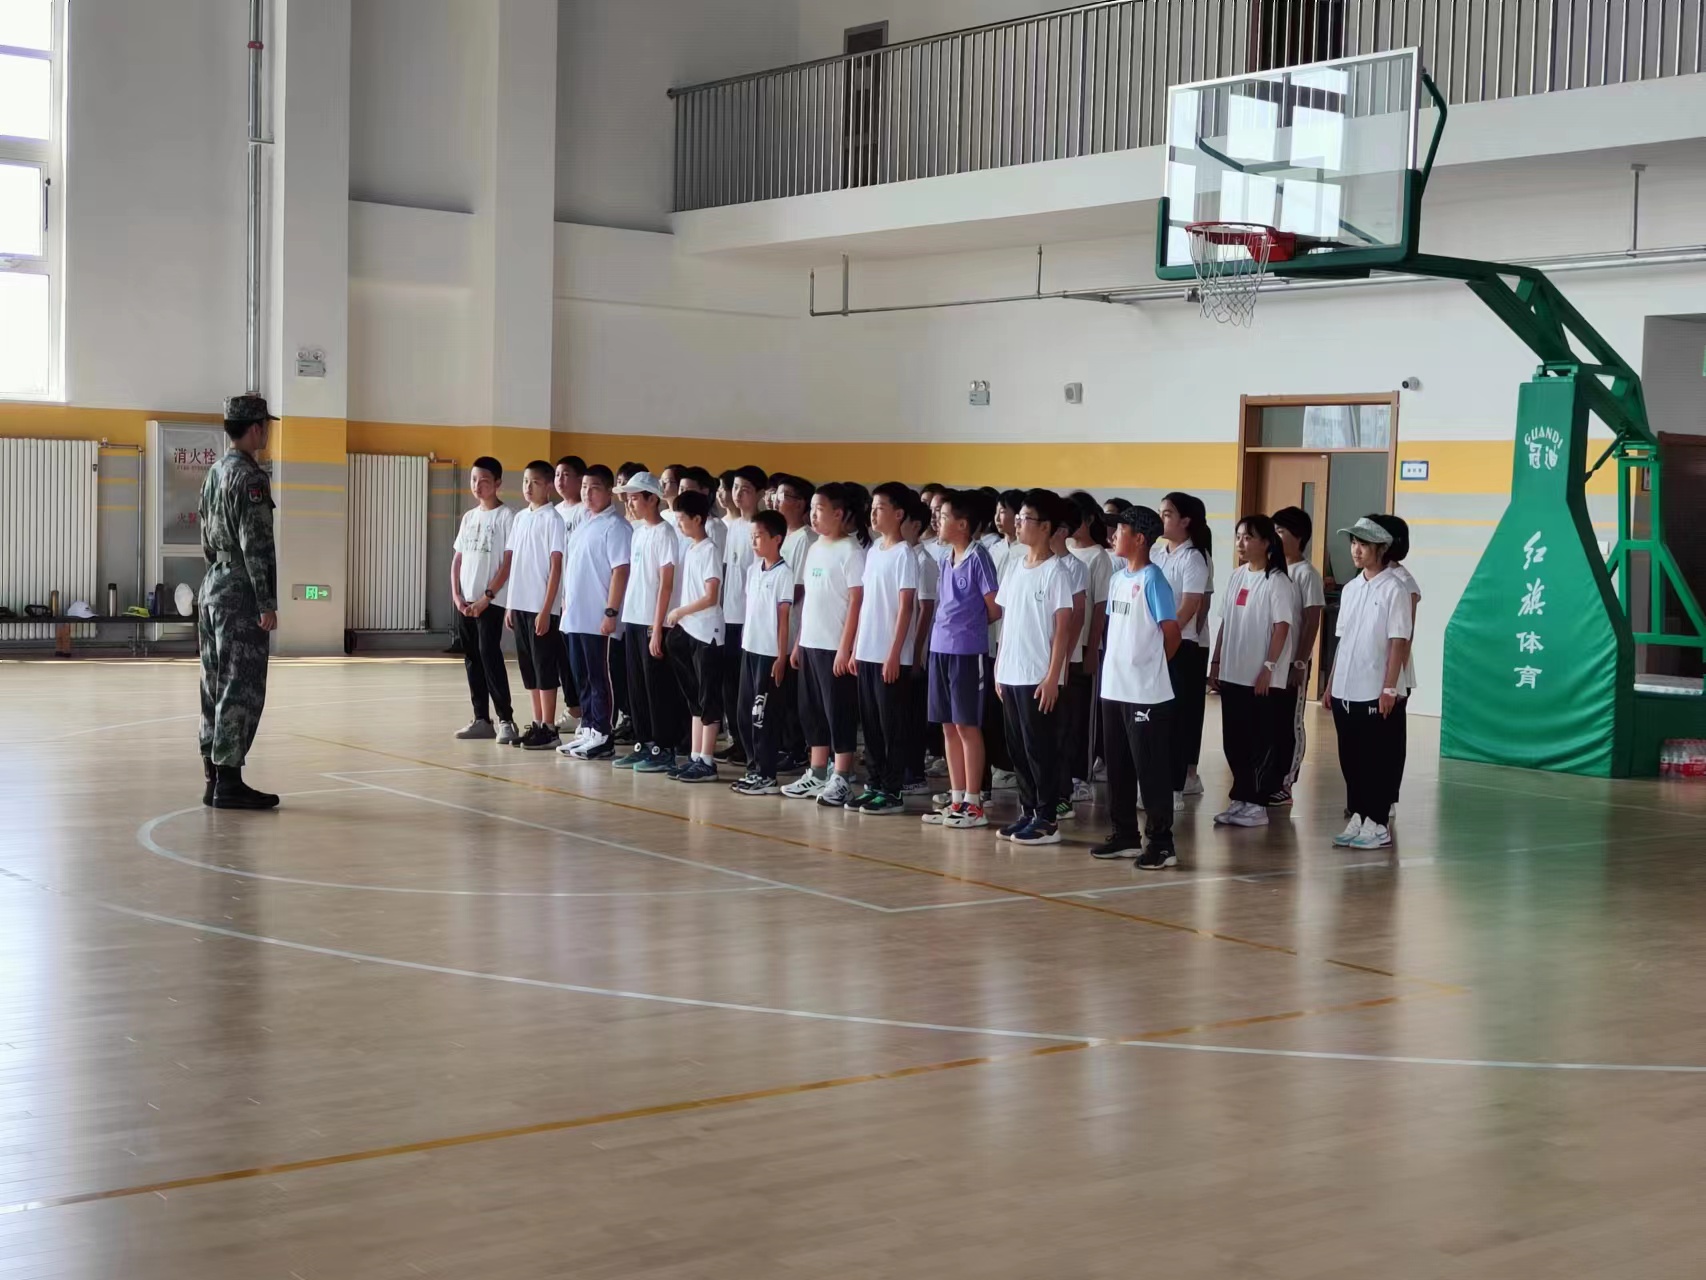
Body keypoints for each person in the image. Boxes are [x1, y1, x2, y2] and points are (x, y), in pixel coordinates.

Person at [197, 393, 281, 810]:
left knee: (212, 682)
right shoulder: (250, 477)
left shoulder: (215, 471)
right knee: (239, 684)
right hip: (240, 594)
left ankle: (213, 777)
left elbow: (205, 537)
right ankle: (229, 782)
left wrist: (220, 572)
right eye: (265, 426)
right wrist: (266, 602)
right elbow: (257, 545)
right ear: (255, 429)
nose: (267, 433)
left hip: (213, 585)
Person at [1094, 505, 1181, 868]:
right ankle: (1125, 834)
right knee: (1118, 767)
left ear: (1140, 539)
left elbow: (1171, 633)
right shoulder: (1117, 579)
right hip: (1114, 689)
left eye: (1121, 531)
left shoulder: (1153, 579)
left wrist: (1151, 668)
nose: (1114, 536)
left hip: (1145, 693)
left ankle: (1161, 843)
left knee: (1151, 769)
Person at [1320, 517, 1413, 850]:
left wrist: (1389, 687)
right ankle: (1358, 815)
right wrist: (1331, 684)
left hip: (1375, 689)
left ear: (1381, 549)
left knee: (1377, 758)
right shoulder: (1351, 588)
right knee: (1351, 758)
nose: (1356, 550)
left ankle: (1378, 822)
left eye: (1363, 544)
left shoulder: (1395, 589)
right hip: (1346, 688)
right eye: (1353, 543)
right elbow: (1342, 640)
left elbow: (1398, 640)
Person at [993, 490, 1077, 847]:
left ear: (1045, 527)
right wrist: (999, 668)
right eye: (1018, 518)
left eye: (1025, 519)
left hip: (1037, 676)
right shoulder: (1015, 567)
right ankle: (1028, 812)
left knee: (1040, 750)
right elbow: (1007, 622)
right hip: (1011, 674)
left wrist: (1053, 676)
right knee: (1018, 750)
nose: (1018, 524)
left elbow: (1063, 629)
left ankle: (1047, 819)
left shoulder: (1056, 572)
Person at [1210, 514, 1300, 828]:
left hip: (1261, 678)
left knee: (1260, 741)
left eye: (1248, 537)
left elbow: (1281, 627)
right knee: (1234, 741)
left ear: (1266, 543)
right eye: (1238, 537)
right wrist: (1216, 661)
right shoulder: (1236, 576)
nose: (1241, 543)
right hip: (1232, 673)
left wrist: (1268, 667)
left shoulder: (1277, 581)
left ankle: (1258, 804)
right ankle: (1242, 797)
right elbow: (1226, 622)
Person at [784, 482, 867, 808]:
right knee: (812, 711)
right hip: (810, 643)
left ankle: (842, 777)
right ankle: (817, 772)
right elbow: (811, 600)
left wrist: (846, 648)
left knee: (839, 712)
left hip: (835, 647)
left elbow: (857, 602)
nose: (813, 516)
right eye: (812, 509)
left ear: (839, 513)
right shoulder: (816, 547)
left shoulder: (851, 551)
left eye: (820, 510)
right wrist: (798, 643)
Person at [925, 490, 1001, 831]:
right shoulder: (945, 559)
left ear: (963, 524)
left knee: (967, 725)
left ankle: (974, 801)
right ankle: (956, 798)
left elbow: (994, 607)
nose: (937, 522)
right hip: (940, 649)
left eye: (944, 517)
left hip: (967, 653)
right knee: (948, 724)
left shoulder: (978, 558)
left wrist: (967, 628)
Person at [849, 482, 921, 815]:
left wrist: (894, 654)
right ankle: (875, 784)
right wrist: (855, 648)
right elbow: (866, 604)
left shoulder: (904, 554)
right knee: (871, 726)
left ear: (899, 514)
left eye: (881, 508)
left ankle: (892, 790)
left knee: (892, 725)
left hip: (891, 656)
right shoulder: (875, 550)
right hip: (866, 651)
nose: (874, 514)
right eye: (872, 508)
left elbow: (906, 608)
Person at [559, 464, 631, 761]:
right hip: (576, 617)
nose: (588, 494)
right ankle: (588, 728)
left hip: (598, 619)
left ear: (609, 491)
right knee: (582, 676)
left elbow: (621, 571)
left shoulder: (616, 527)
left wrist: (611, 612)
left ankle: (603, 734)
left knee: (601, 676)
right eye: (585, 488)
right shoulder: (584, 522)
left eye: (595, 488)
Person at [614, 471, 683, 775]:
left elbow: (666, 584)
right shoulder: (639, 532)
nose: (630, 503)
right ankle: (643, 743)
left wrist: (657, 628)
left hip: (652, 623)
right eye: (628, 497)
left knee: (657, 688)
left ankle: (663, 748)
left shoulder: (665, 533)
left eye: (635, 497)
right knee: (636, 687)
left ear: (652, 499)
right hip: (633, 618)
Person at [451, 456, 519, 745]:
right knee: (472, 659)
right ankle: (481, 719)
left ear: (498, 483)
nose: (478, 486)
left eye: (485, 481)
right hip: (466, 602)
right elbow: (458, 559)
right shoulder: (469, 517)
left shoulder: (507, 517)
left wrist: (487, 597)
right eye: (474, 480)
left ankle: (506, 720)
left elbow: (508, 562)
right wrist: (457, 596)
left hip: (491, 602)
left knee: (489, 655)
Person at [504, 461, 568, 751]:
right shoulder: (520, 518)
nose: (528, 487)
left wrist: (546, 609)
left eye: (535, 482)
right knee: (529, 668)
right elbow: (515, 562)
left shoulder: (553, 519)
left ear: (548, 486)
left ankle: (550, 728)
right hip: (519, 605)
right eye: (525, 482)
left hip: (541, 607)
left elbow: (556, 566)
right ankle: (537, 722)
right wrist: (510, 605)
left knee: (544, 667)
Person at [1154, 493, 1214, 799]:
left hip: (1181, 645)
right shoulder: (1158, 555)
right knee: (1159, 716)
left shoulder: (1193, 558)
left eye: (1167, 514)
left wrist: (1166, 636)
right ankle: (1159, 780)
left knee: (1180, 717)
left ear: (1185, 520)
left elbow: (1190, 606)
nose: (1161, 519)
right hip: (1157, 645)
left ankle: (1177, 785)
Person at [732, 510, 794, 796]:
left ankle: (766, 773)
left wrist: (781, 656)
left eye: (758, 536)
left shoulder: (784, 574)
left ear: (776, 539)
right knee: (744, 713)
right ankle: (753, 768)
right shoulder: (753, 570)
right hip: (750, 649)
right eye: (752, 537)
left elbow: (783, 619)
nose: (754, 542)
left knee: (763, 715)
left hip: (769, 654)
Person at [664, 489, 724, 783]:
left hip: (706, 633)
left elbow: (711, 596)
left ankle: (708, 760)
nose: (679, 524)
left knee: (707, 697)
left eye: (682, 519)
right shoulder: (691, 549)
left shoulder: (710, 550)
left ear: (698, 519)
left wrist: (680, 611)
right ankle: (696, 756)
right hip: (689, 629)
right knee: (695, 699)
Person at [1270, 506, 1326, 804]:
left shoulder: (1307, 574)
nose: (1275, 537)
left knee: (1290, 722)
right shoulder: (1272, 571)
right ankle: (1268, 776)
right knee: (1270, 721)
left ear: (1299, 536)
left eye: (1280, 532)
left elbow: (1312, 620)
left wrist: (1300, 662)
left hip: (1293, 662)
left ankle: (1286, 782)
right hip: (1271, 662)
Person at [1062, 492, 1113, 808]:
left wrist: (1093, 647)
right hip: (1061, 645)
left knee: (1083, 715)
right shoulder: (1061, 552)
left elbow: (1100, 607)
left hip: (1085, 645)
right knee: (1064, 714)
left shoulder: (1098, 557)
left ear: (1089, 519)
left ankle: (1082, 777)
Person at [716, 465, 766, 769]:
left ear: (760, 493)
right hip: (729, 615)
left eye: (745, 489)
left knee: (750, 688)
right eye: (735, 488)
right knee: (729, 684)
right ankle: (737, 739)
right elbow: (726, 569)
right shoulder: (733, 526)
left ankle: (752, 745)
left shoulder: (762, 528)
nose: (738, 494)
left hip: (750, 620)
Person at [1046, 516, 1090, 826]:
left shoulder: (1074, 567)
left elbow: (1077, 616)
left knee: (1061, 730)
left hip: (1063, 663)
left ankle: (1062, 795)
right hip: (1037, 661)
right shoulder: (1029, 564)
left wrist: (1061, 660)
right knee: (1041, 732)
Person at [775, 474, 817, 771]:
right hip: (776, 628)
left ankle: (796, 749)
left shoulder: (805, 538)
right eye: (776, 495)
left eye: (784, 496)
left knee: (793, 695)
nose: (777, 501)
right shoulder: (781, 535)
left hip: (794, 629)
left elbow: (799, 588)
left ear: (801, 503)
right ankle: (784, 745)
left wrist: (775, 599)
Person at [902, 498, 938, 794]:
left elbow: (926, 609)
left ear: (915, 525)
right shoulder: (894, 554)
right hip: (896, 649)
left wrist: (916, 653)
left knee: (912, 716)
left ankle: (914, 774)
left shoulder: (924, 561)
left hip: (914, 653)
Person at [552, 455, 589, 733]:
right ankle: (573, 707)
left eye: (566, 475)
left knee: (578, 658)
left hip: (576, 597)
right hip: (553, 597)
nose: (560, 480)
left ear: (580, 480)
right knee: (560, 658)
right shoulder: (554, 512)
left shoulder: (585, 512)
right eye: (557, 475)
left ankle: (583, 711)